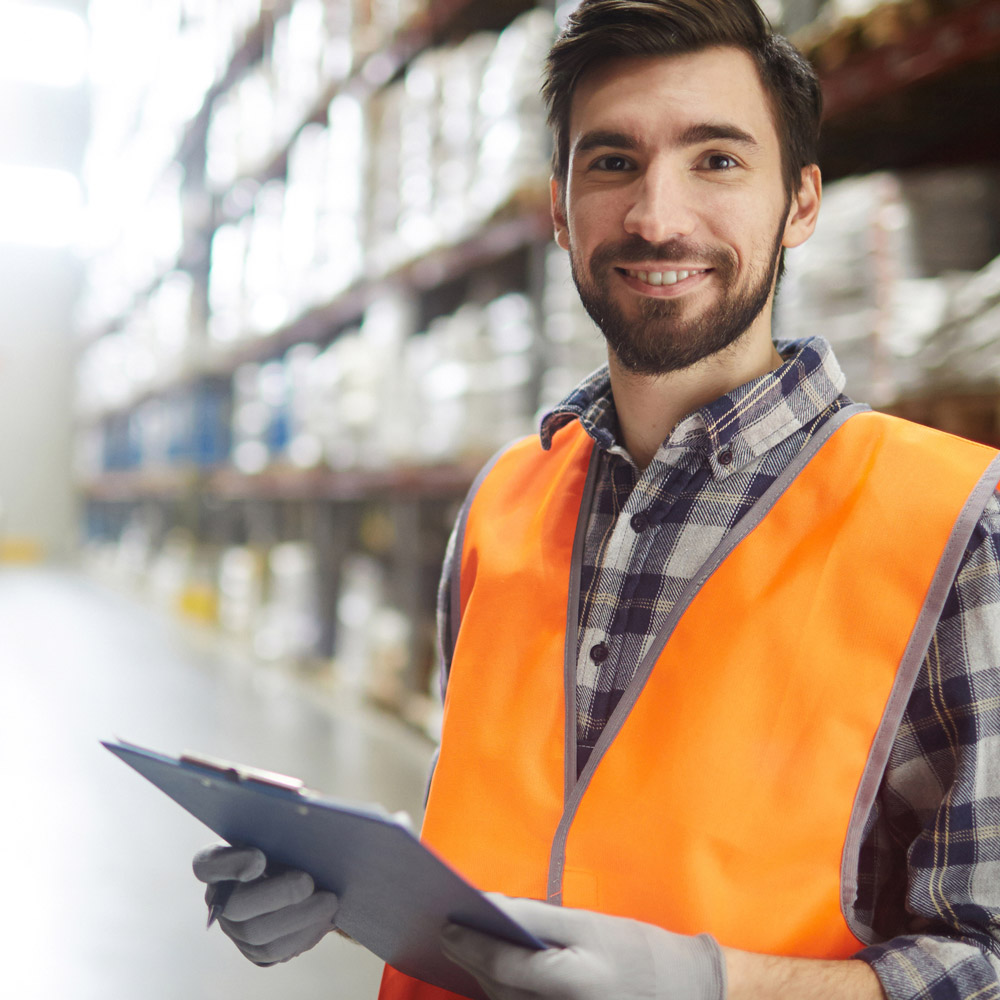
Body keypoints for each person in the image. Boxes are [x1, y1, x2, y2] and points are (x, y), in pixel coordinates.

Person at [192, 1, 1000, 997]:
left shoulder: (955, 521)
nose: (658, 217)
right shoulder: (502, 503)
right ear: (561, 210)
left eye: (716, 161)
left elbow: (986, 957)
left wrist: (713, 985)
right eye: (612, 162)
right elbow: (510, 853)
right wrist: (345, 894)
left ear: (799, 203)